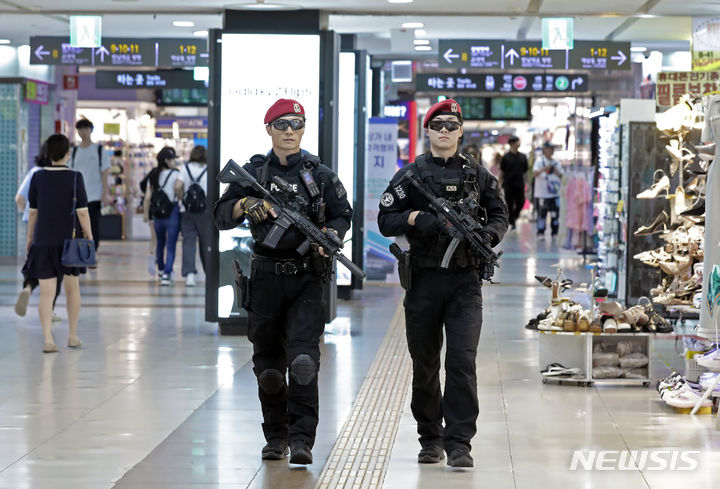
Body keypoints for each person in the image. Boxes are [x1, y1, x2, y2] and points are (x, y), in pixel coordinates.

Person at [213, 98, 352, 465]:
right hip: (265, 278)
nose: (289, 130)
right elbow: (220, 216)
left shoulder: (318, 174)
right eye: (281, 124)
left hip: (307, 277)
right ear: (269, 129)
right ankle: (276, 436)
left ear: (303, 128)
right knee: (270, 367)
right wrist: (246, 205)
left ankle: (302, 439)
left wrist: (330, 235)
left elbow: (342, 215)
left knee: (304, 362)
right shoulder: (253, 173)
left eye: (296, 123)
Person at [377, 99, 509, 468]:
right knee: (425, 363)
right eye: (438, 125)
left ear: (461, 131)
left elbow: (500, 214)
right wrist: (416, 217)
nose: (445, 131)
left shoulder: (478, 176)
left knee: (462, 361)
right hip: (423, 280)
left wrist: (490, 235)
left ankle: (460, 443)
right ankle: (430, 438)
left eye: (452, 125)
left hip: (465, 282)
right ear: (428, 130)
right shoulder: (410, 176)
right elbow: (385, 219)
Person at [22, 134, 93, 352]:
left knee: (46, 293)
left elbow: (33, 212)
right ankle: (72, 336)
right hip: (70, 242)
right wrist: (89, 237)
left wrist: (29, 238)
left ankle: (48, 340)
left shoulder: (38, 177)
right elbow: (82, 212)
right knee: (73, 290)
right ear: (67, 153)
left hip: (43, 241)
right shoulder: (75, 177)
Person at [15, 142, 63, 319]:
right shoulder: (63, 175)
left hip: (34, 226)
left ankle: (27, 288)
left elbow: (19, 198)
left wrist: (26, 215)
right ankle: (49, 311)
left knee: (35, 263)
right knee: (56, 270)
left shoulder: (35, 172)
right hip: (54, 227)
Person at [70, 119, 111, 252]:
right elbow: (69, 172)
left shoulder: (99, 150)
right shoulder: (73, 151)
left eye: (86, 128)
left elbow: (105, 172)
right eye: (80, 129)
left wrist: (105, 193)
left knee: (93, 225)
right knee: (76, 225)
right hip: (76, 195)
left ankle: (92, 252)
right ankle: (80, 252)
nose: (83, 132)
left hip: (94, 195)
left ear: (91, 130)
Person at [143, 147, 181, 285]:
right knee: (171, 245)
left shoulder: (153, 175)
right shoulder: (176, 174)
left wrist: (146, 214)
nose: (174, 162)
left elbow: (147, 197)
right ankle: (167, 274)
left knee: (160, 243)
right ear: (166, 160)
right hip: (172, 212)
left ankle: (160, 270)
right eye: (173, 159)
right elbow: (179, 191)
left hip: (157, 214)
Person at [174, 145, 209, 287]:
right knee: (206, 242)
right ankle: (209, 273)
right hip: (205, 211)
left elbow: (177, 186)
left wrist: (181, 198)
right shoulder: (209, 169)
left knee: (188, 241)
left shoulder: (185, 168)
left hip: (187, 211)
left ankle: (190, 275)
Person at [532, 142, 563, 239]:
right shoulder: (539, 161)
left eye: (551, 149)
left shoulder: (556, 162)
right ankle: (540, 232)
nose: (550, 151)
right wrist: (544, 169)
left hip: (554, 194)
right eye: (548, 149)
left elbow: (561, 175)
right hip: (542, 194)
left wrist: (554, 170)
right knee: (542, 215)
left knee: (555, 215)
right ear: (544, 150)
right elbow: (535, 174)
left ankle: (555, 232)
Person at [500, 135, 529, 229]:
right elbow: (501, 171)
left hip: (520, 184)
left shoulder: (523, 157)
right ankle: (513, 222)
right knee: (509, 204)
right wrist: (499, 183)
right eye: (517, 141)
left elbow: (526, 171)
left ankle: (514, 218)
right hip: (508, 184)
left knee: (521, 202)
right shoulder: (505, 157)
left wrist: (527, 182)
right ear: (512, 143)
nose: (519, 143)